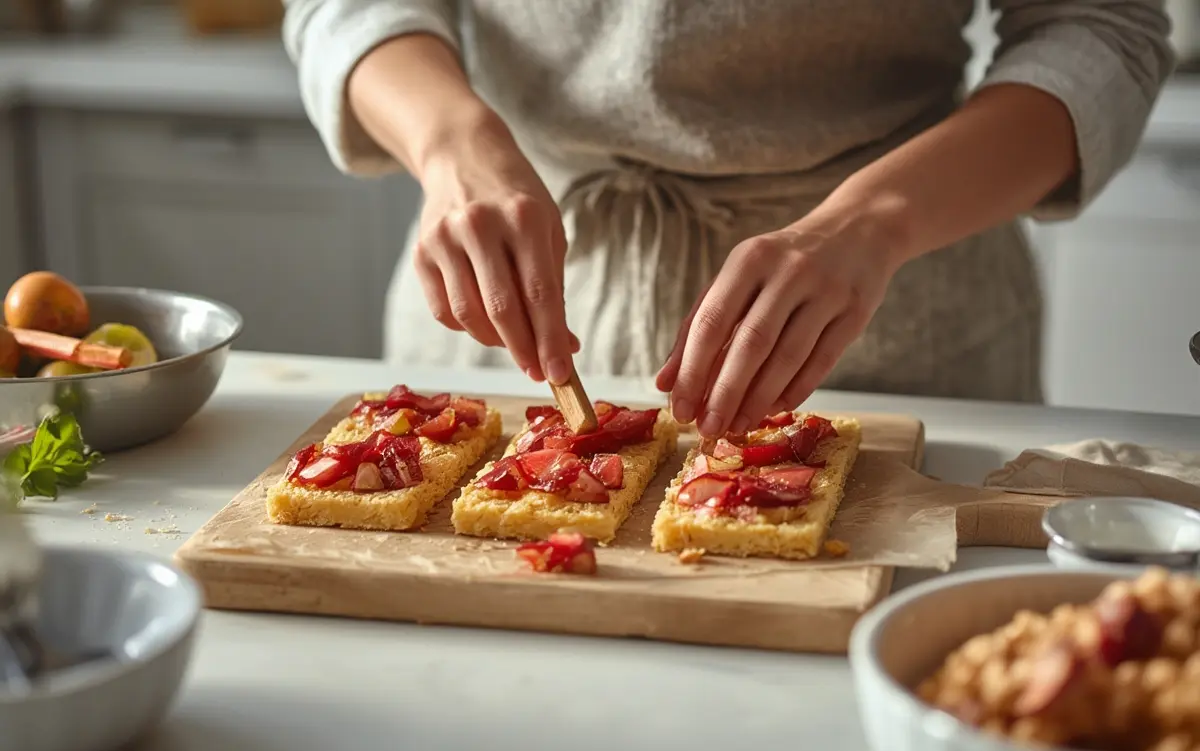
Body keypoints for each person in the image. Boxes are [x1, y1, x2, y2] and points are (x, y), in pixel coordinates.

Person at [281, 1, 1174, 438]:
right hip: (504, 274)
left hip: (902, 310)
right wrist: (450, 142)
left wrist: (874, 220)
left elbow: (1101, 28)